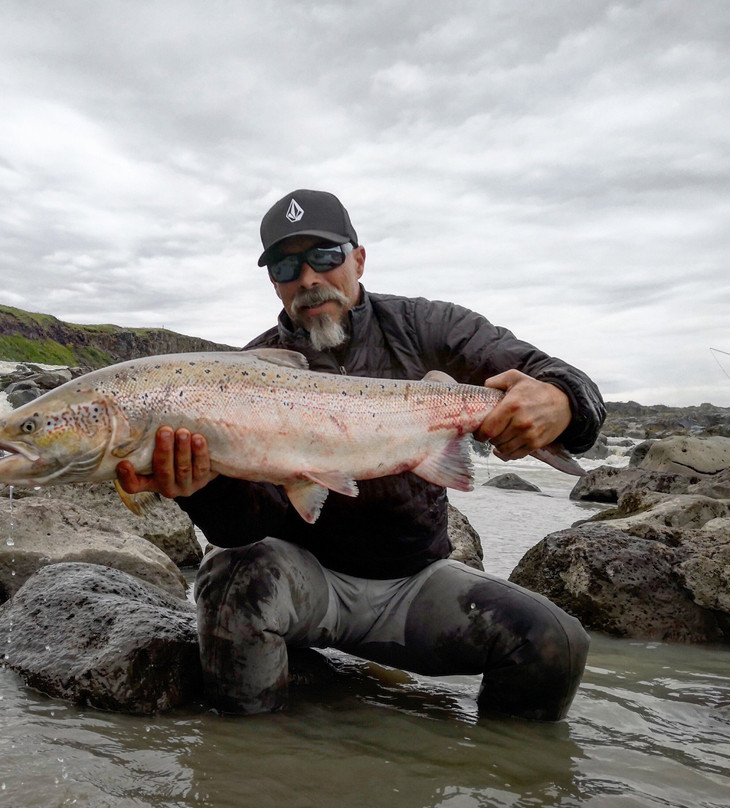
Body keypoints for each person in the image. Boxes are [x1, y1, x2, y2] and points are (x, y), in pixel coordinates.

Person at [116, 189, 606, 721]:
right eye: (286, 266)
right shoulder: (247, 376)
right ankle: (250, 761)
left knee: (556, 642)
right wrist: (201, 489)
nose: (308, 278)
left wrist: (562, 402)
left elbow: (564, 380)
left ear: (359, 259)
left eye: (325, 256)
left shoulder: (428, 328)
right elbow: (243, 529)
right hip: (303, 585)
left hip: (413, 586)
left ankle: (496, 767)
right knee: (231, 580)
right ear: (274, 282)